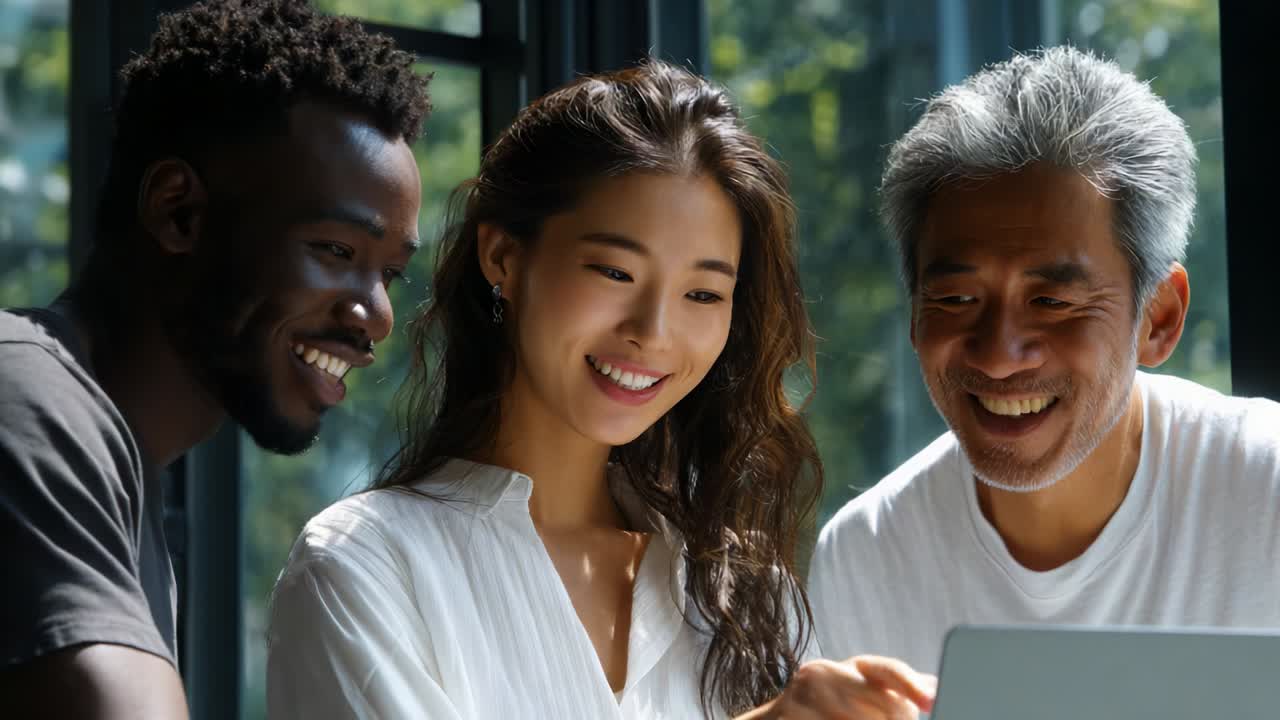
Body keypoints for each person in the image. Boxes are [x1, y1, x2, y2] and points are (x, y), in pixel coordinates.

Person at [266, 60, 937, 719]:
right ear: (503, 256)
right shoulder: (363, 567)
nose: (654, 331)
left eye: (703, 293)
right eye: (615, 273)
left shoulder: (749, 600)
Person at [0, 1, 430, 717]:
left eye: (387, 274)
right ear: (179, 212)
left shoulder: (122, 474)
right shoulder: (26, 397)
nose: (378, 316)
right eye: (336, 251)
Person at [809, 46, 1280, 674]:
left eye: (1053, 301)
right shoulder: (868, 555)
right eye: (955, 297)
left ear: (1159, 318)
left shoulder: (1266, 490)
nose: (1000, 355)